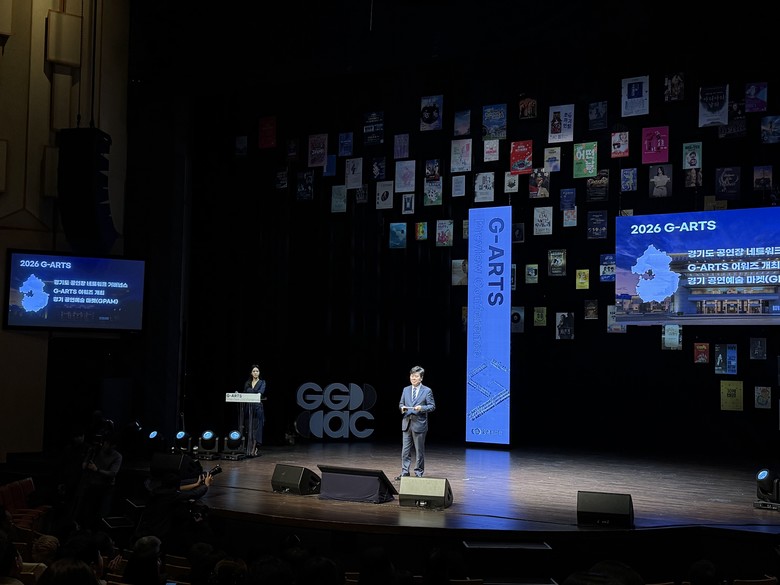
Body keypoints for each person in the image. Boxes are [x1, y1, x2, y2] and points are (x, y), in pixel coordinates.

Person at [71, 430, 122, 531]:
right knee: (86, 509)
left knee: (101, 513)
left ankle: (98, 531)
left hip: (106, 488)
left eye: (108, 444)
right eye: (105, 443)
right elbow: (85, 462)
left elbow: (113, 473)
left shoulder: (117, 456)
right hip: (91, 485)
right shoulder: (95, 450)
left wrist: (97, 469)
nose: (105, 445)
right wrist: (85, 464)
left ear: (113, 446)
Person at [396, 366, 435, 480]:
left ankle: (418, 472)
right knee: (405, 450)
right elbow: (401, 403)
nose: (413, 378)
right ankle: (405, 472)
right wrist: (402, 408)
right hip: (407, 423)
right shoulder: (406, 389)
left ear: (421, 378)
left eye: (416, 376)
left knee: (419, 451)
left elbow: (432, 406)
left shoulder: (427, 390)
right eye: (412, 376)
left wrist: (421, 408)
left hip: (419, 424)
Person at [241, 364, 267, 457]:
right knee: (249, 428)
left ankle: (255, 448)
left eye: (257, 371)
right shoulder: (247, 382)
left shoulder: (262, 382)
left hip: (257, 407)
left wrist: (251, 391)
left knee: (257, 428)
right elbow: (245, 392)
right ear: (251, 373)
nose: (255, 373)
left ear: (259, 373)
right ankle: (248, 447)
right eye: (254, 371)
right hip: (248, 407)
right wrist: (253, 392)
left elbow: (261, 392)